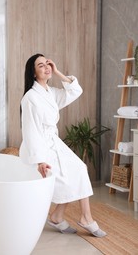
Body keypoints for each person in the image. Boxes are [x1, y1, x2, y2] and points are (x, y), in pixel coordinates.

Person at [19, 53, 106, 237]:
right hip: (41, 148)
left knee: (78, 170)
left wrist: (58, 72)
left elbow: (75, 91)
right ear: (33, 73)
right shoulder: (30, 98)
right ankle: (83, 218)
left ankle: (63, 216)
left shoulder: (50, 93)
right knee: (74, 173)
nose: (46, 67)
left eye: (48, 64)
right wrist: (40, 160)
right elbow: (30, 131)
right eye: (41, 65)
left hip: (54, 143)